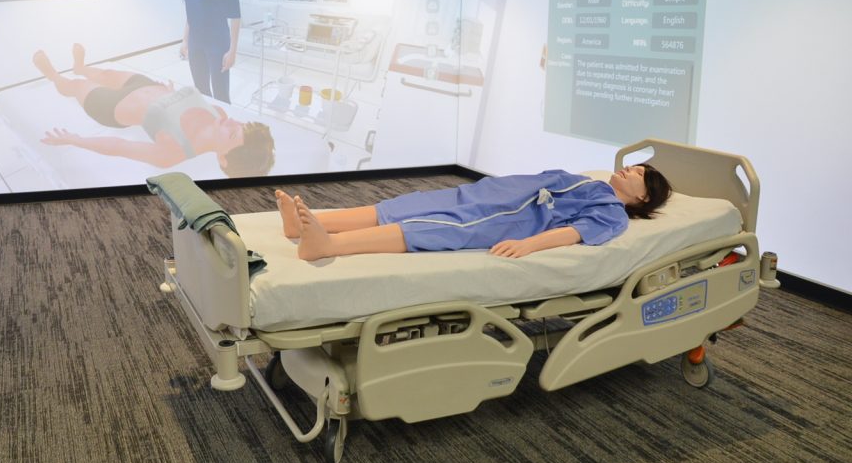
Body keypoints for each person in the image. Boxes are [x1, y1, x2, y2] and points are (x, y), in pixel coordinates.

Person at [276, 165, 671, 261]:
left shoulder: (613, 212)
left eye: (639, 174)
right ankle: (307, 224)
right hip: (484, 193)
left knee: (429, 226)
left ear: (643, 199)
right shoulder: (589, 181)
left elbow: (574, 233)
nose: (630, 169)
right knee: (407, 205)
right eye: (633, 166)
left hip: (506, 216)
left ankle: (328, 247)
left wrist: (528, 245)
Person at [33, 43, 274, 177]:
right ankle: (81, 67)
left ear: (222, 159)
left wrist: (75, 140)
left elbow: (119, 147)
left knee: (76, 86)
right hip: (145, 85)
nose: (232, 122)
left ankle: (53, 75)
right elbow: (187, 105)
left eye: (232, 134)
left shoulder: (173, 153)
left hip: (112, 107)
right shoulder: (219, 114)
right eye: (241, 125)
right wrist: (170, 92)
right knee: (105, 73)